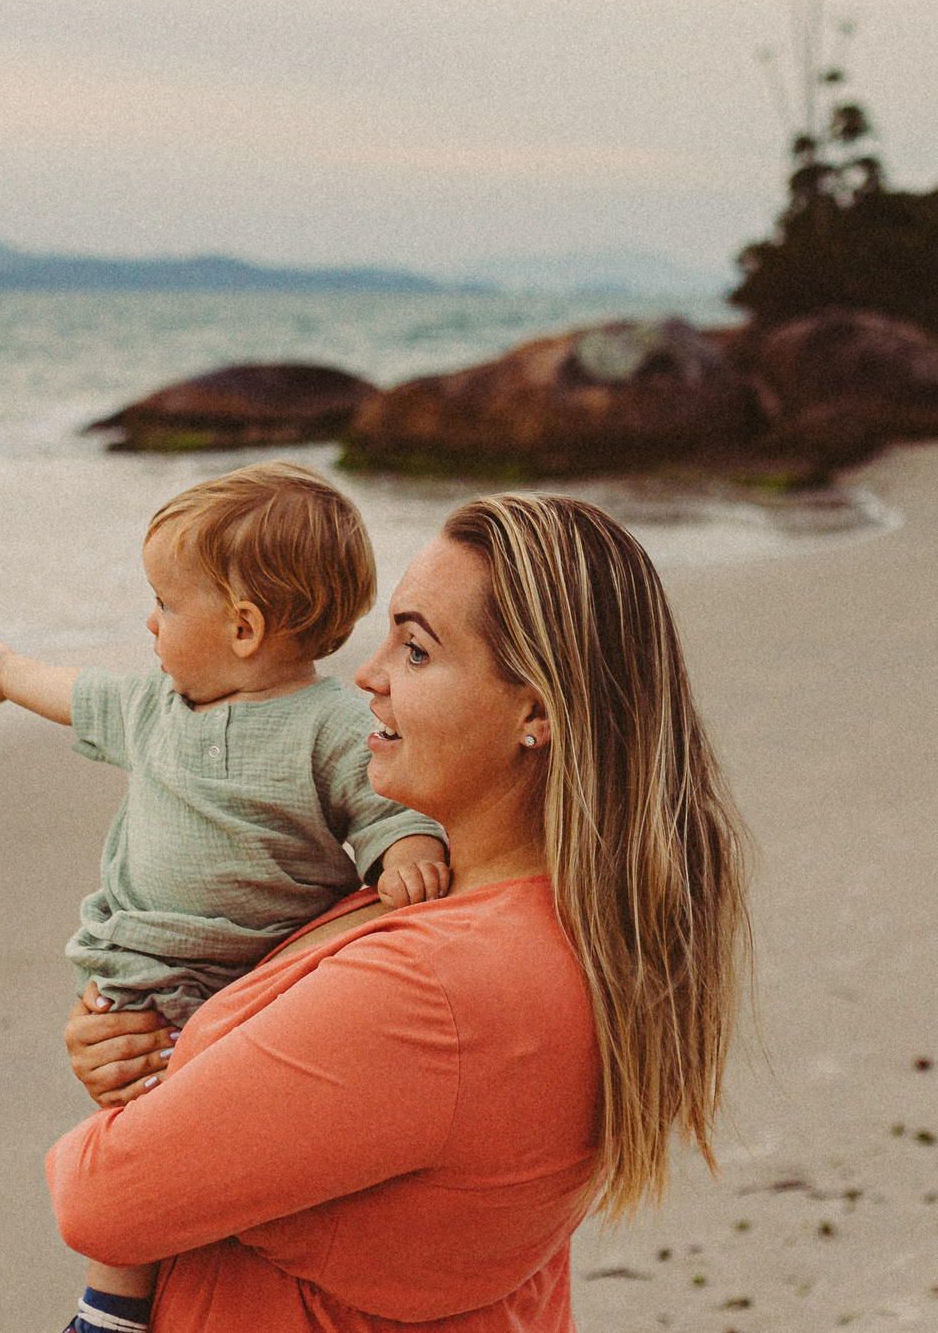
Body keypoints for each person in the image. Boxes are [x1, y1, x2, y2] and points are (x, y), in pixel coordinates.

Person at [48, 492, 752, 1330]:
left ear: (536, 713)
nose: (367, 674)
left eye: (416, 650)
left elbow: (100, 1197)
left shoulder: (435, 986)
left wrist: (157, 1111)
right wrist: (137, 1045)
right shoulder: (500, 903)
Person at [0, 461, 453, 1332]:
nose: (150, 622)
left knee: (195, 1134)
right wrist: (10, 671)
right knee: (136, 1120)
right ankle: (111, 1304)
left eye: (165, 603)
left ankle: (178, 1268)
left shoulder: (329, 723)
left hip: (260, 976)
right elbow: (74, 694)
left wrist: (406, 850)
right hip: (141, 963)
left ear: (243, 627)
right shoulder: (152, 707)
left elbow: (382, 806)